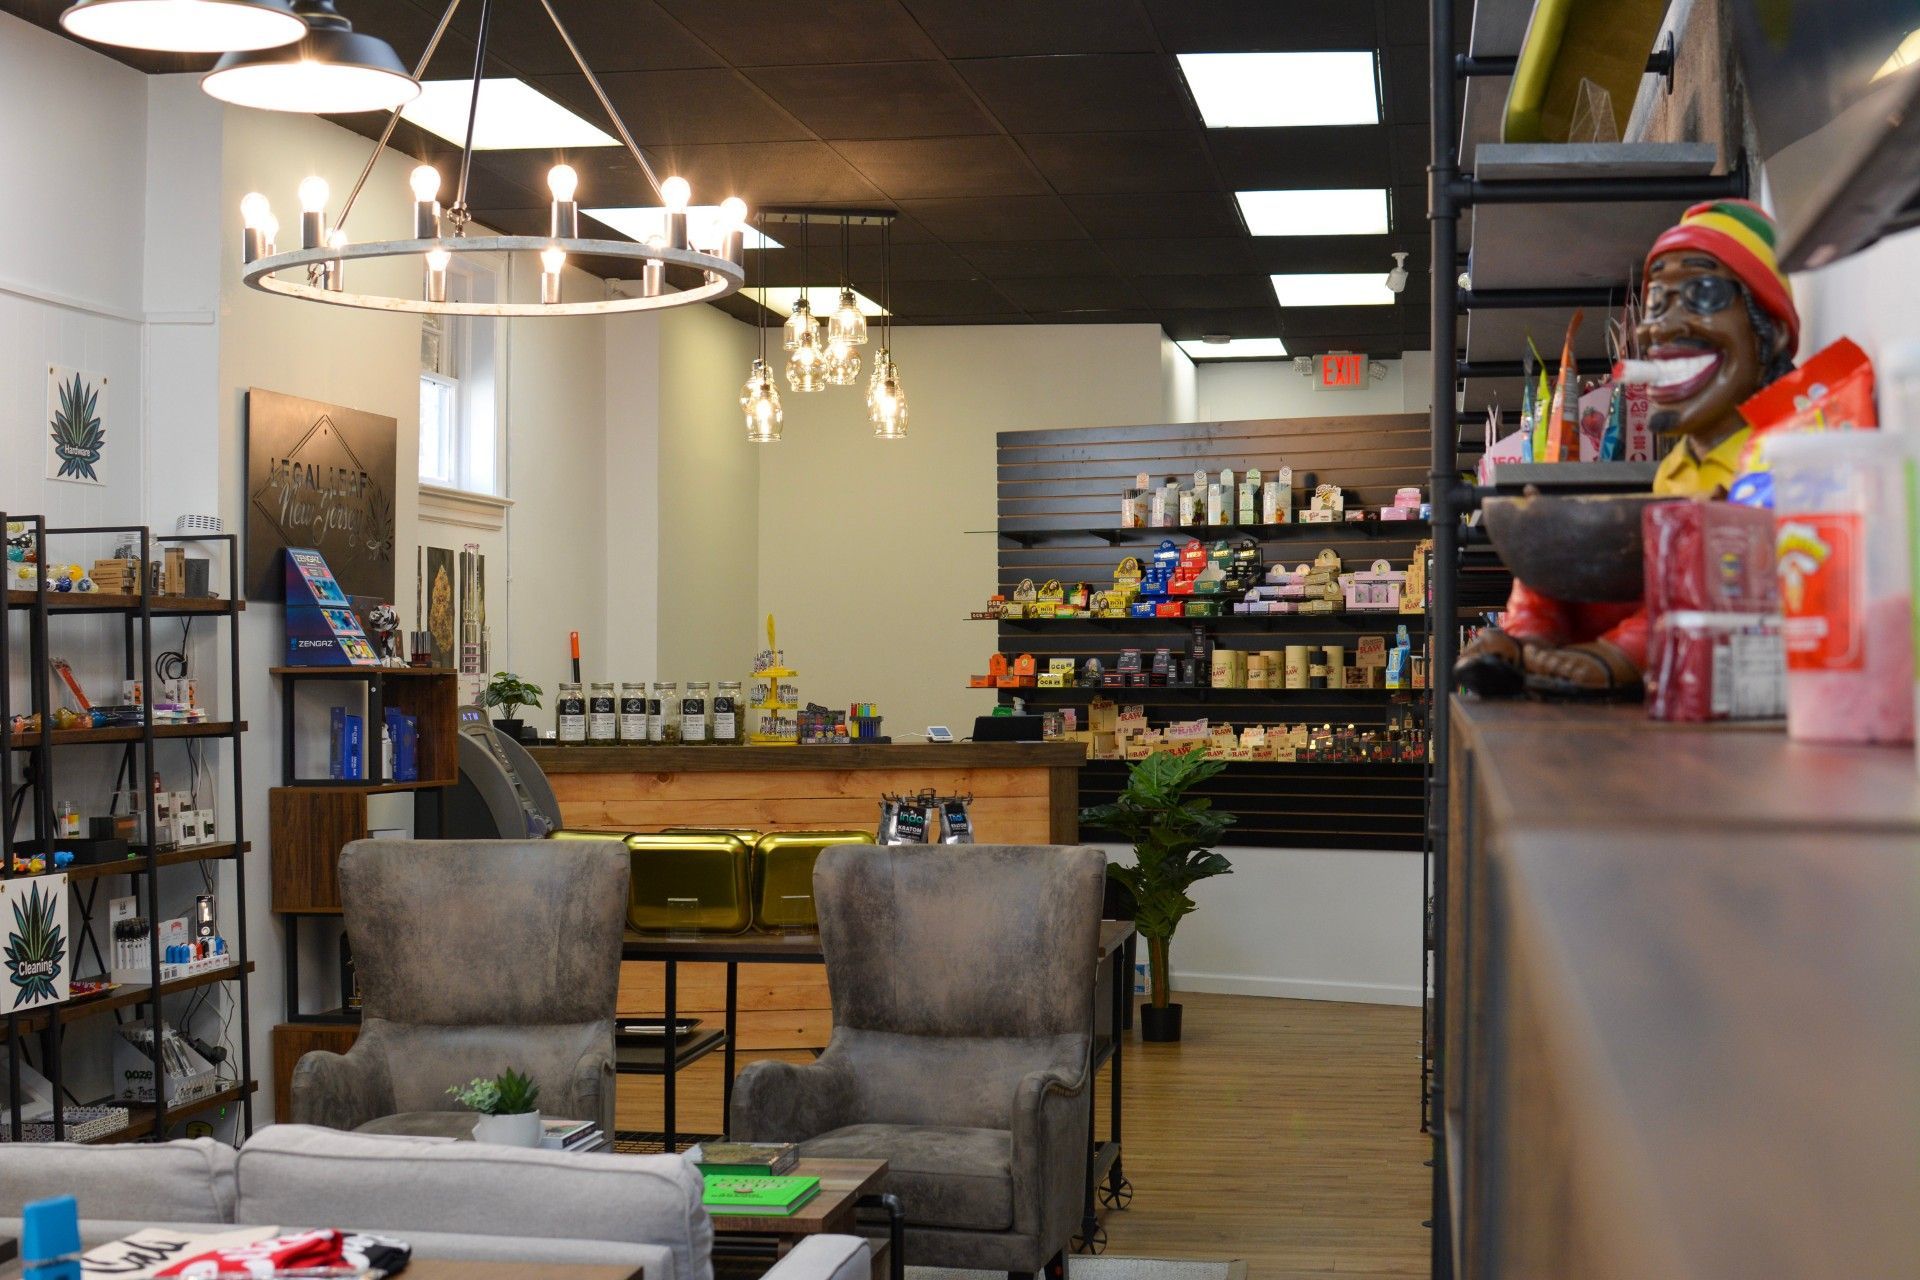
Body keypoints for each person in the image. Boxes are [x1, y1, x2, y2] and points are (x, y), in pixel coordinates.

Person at [1454, 198, 1800, 698]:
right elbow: (1655, 586)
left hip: (1741, 657)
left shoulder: (1787, 447)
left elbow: (1736, 591)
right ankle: (1528, 639)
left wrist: (1628, 648)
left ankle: (1622, 653)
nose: (1658, 328)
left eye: (1702, 294)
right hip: (1674, 637)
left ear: (1776, 330)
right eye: (1656, 304)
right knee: (1553, 557)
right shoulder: (1679, 465)